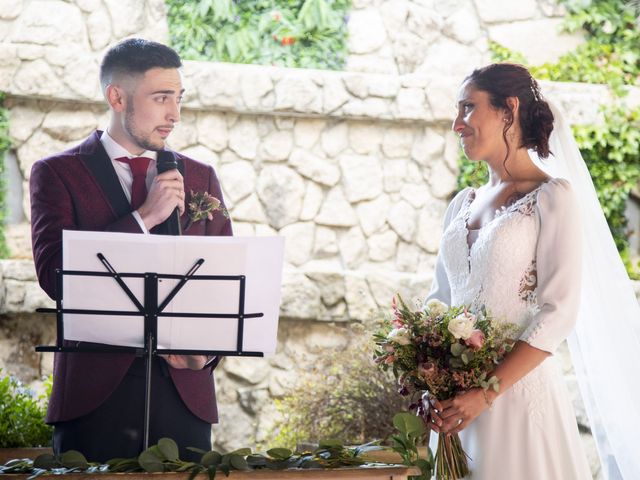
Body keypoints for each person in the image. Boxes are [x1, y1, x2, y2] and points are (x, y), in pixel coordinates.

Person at [30, 38, 232, 461]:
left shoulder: (201, 176)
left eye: (178, 98)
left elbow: (225, 282)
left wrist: (204, 355)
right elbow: (55, 277)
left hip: (185, 396)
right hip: (94, 399)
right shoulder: (57, 173)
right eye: (160, 98)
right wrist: (143, 218)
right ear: (116, 97)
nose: (174, 114)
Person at [424, 63, 599, 479]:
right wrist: (428, 378)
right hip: (456, 409)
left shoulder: (551, 199)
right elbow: (439, 300)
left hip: (516, 400)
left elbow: (558, 314)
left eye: (468, 108)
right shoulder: (461, 203)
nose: (457, 124)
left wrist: (484, 393)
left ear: (509, 109)